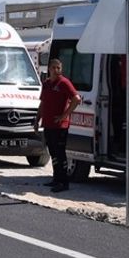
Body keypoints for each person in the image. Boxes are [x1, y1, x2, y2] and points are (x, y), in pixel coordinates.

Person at [33, 58, 81, 193]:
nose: (55, 70)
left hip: (60, 126)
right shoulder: (47, 83)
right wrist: (37, 120)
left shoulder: (64, 83)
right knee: (53, 153)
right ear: (49, 69)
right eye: (53, 67)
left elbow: (76, 99)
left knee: (60, 154)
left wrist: (64, 116)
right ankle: (56, 178)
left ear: (61, 69)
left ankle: (63, 182)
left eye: (58, 68)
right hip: (48, 124)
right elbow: (42, 103)